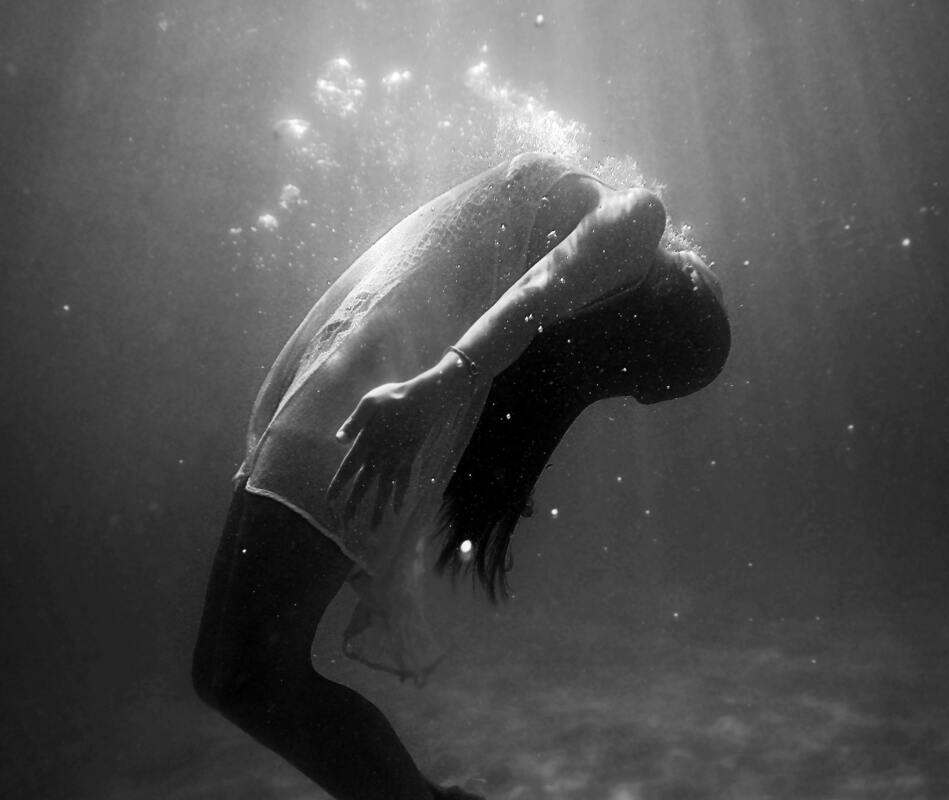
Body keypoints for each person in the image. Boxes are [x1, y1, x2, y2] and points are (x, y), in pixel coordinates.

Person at [192, 152, 731, 800]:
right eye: (647, 380)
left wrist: (429, 388)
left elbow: (528, 294)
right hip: (376, 393)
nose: (708, 272)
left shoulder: (621, 229)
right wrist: (432, 387)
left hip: (373, 398)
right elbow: (529, 295)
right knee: (233, 675)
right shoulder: (623, 227)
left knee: (240, 675)